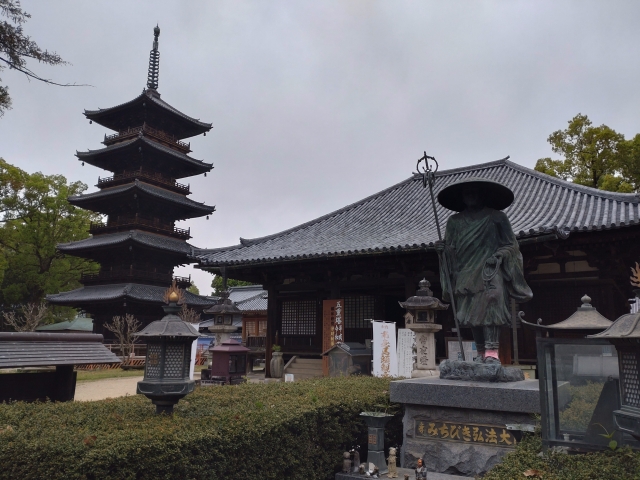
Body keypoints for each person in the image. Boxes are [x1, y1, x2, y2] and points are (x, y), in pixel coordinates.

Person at [435, 177, 532, 364]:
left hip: (489, 269)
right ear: (462, 197)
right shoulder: (454, 221)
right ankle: (480, 353)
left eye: (474, 191)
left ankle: (492, 352)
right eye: (467, 192)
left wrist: (499, 255)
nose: (470, 195)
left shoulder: (497, 217)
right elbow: (452, 249)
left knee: (491, 305)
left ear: (483, 195)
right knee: (472, 313)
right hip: (465, 271)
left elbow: (512, 245)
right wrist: (443, 250)